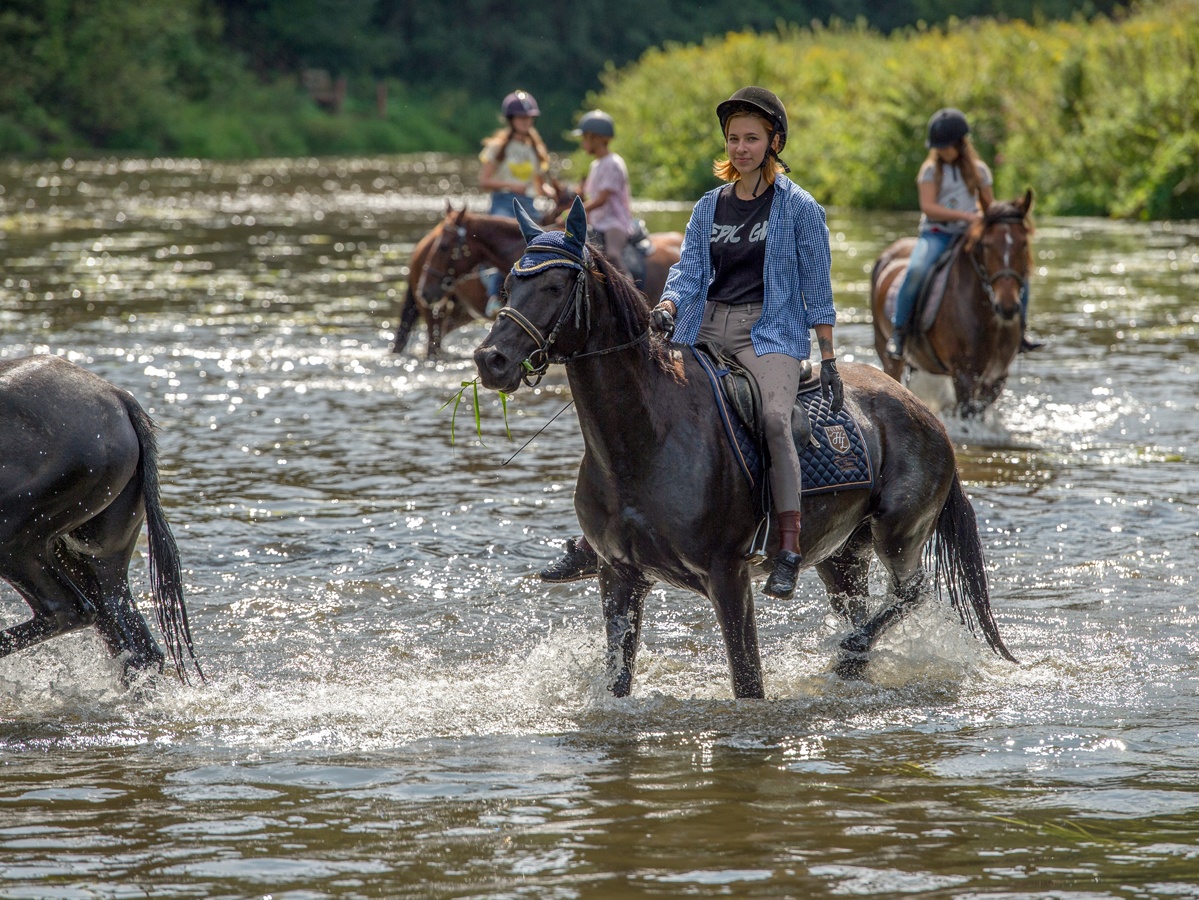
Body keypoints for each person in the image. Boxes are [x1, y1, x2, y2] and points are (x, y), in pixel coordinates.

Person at [540, 86, 843, 602]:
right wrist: (668, 307)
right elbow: (688, 271)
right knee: (637, 404)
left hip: (767, 334)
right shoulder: (710, 206)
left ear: (775, 141)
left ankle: (788, 545)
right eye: (733, 138)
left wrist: (828, 354)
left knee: (773, 420)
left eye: (751, 138)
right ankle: (600, 538)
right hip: (703, 328)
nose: (740, 147)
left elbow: (818, 285)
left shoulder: (800, 209)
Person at [885, 107, 1039, 359]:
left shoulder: (979, 171)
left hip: (971, 234)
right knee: (915, 271)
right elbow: (928, 207)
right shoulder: (930, 171)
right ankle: (899, 332)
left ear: (960, 144)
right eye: (939, 147)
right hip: (937, 233)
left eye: (947, 146)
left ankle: (1020, 331)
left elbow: (988, 205)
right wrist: (966, 216)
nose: (942, 151)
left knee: (1016, 273)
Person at [479, 90, 555, 315]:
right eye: (522, 118)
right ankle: (494, 295)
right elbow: (484, 180)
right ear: (511, 120)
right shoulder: (497, 147)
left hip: (530, 203)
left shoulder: (535, 148)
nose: (527, 121)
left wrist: (555, 194)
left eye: (530, 117)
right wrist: (511, 186)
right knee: (507, 244)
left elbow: (539, 186)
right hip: (504, 202)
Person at [571, 109, 635, 275]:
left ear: (596, 138)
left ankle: (629, 291)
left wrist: (575, 211)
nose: (583, 143)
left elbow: (601, 199)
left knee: (613, 254)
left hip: (614, 221)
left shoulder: (613, 163)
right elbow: (589, 194)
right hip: (597, 222)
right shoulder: (595, 165)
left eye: (585, 138)